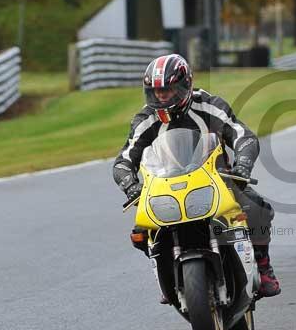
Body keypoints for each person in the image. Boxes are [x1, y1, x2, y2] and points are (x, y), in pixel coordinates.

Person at [112, 53, 281, 297]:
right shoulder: (145, 119)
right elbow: (124, 160)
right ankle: (167, 271)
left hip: (217, 179)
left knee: (257, 210)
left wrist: (243, 165)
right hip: (165, 187)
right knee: (141, 231)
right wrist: (131, 186)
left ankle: (263, 266)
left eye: (167, 90)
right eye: (156, 91)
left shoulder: (210, 105)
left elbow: (243, 136)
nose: (161, 96)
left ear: (185, 85)